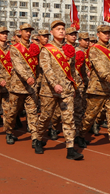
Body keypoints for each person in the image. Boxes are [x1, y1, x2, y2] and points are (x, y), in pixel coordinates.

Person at [34, 20, 84, 160]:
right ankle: (38, 139)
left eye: (63, 28)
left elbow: (72, 70)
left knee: (68, 119)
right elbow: (46, 69)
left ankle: (70, 149)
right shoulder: (46, 49)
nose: (61, 31)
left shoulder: (69, 49)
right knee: (45, 117)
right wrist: (55, 84)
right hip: (49, 91)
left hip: (67, 89)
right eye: (58, 29)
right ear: (52, 32)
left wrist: (75, 86)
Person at [80, 25, 110, 153]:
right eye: (104, 33)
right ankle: (80, 135)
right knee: (90, 116)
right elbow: (99, 67)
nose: (107, 35)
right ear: (98, 34)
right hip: (98, 88)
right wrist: (109, 77)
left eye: (108, 33)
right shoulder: (94, 49)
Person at [4, 24, 41, 146]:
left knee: (33, 113)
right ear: (21, 32)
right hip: (18, 87)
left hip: (31, 88)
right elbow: (18, 65)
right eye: (26, 31)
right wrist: (27, 77)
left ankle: (35, 138)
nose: (28, 33)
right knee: (12, 112)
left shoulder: (35, 48)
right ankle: (9, 132)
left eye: (30, 31)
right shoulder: (15, 48)